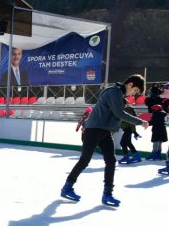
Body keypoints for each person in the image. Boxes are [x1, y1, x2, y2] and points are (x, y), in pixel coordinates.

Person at [60, 75, 148, 207]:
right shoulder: (115, 92)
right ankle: (67, 187)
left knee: (111, 161)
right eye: (135, 90)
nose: (133, 93)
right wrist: (140, 121)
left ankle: (107, 194)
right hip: (93, 130)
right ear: (129, 84)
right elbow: (119, 114)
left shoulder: (119, 95)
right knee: (84, 160)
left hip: (105, 131)